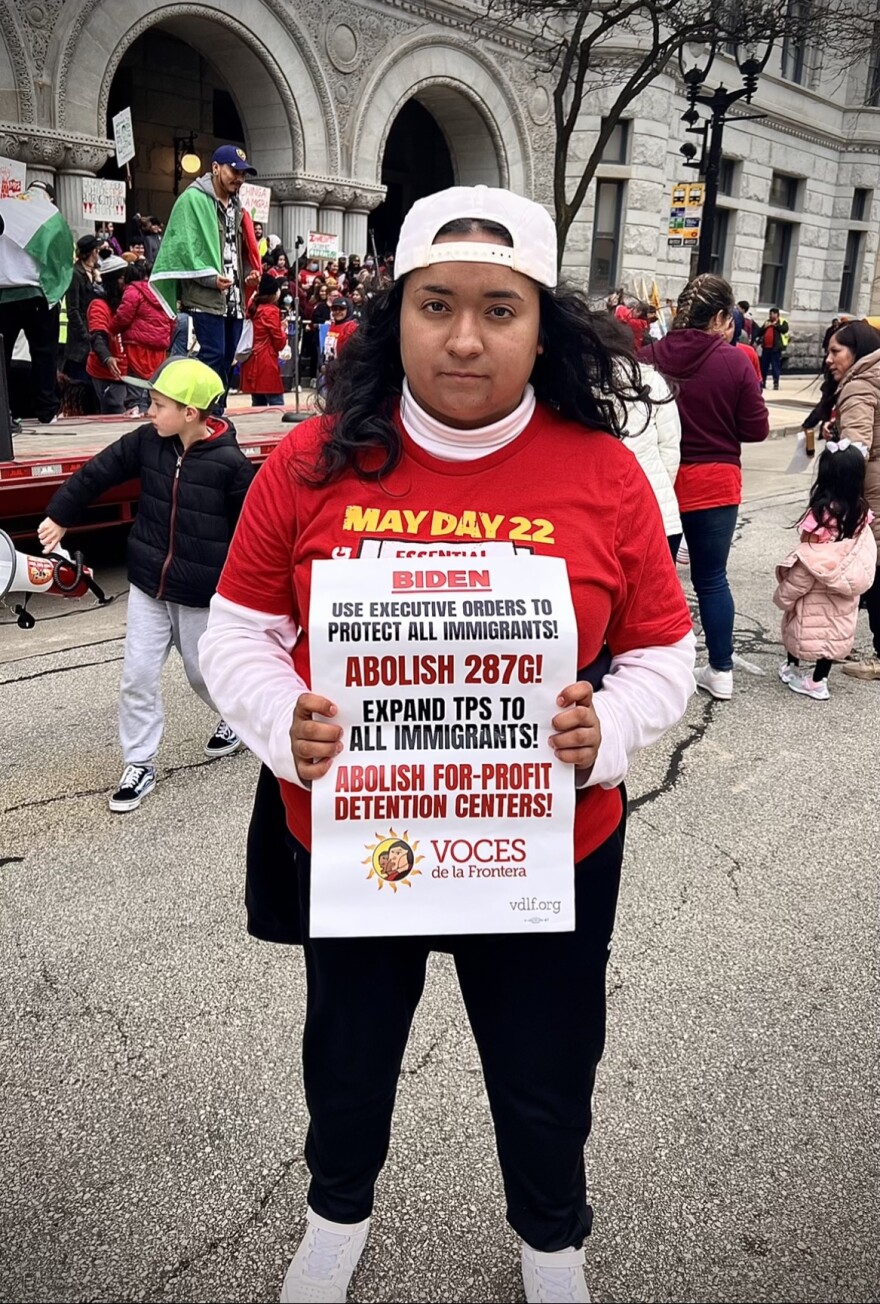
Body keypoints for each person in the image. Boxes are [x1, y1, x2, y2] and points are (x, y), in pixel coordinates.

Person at [199, 184, 696, 1304]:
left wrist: (609, 729)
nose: (465, 338)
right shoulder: (313, 460)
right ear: (397, 317)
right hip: (357, 837)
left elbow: (665, 650)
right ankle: (335, 1215)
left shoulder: (604, 472)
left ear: (542, 327)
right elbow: (238, 630)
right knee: (348, 1058)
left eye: (498, 309)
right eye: (436, 305)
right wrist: (282, 721)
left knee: (545, 1069)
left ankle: (552, 1242)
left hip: (545, 846)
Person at [37, 358, 254, 812]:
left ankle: (237, 720)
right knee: (136, 677)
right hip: (147, 585)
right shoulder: (148, 441)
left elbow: (251, 535)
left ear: (190, 413)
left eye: (157, 404)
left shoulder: (231, 465)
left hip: (199, 594)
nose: (148, 412)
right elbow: (99, 471)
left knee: (203, 674)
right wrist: (60, 514)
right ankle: (139, 762)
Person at [641, 273, 769, 700]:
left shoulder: (647, 358)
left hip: (657, 481)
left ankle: (648, 671)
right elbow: (756, 429)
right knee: (712, 579)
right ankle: (720, 669)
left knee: (650, 583)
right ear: (717, 317)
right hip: (714, 481)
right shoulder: (735, 361)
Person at [150, 145, 262, 413]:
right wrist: (210, 278)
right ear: (215, 168)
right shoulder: (192, 199)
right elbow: (182, 249)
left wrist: (250, 272)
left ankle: (216, 411)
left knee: (227, 357)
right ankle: (203, 411)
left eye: (243, 174)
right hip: (205, 296)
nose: (239, 178)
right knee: (213, 353)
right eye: (234, 171)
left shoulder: (237, 206)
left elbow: (239, 249)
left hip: (234, 297)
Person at [774, 442, 876, 699]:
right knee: (832, 634)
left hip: (816, 590)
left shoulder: (819, 515)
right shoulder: (862, 513)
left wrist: (785, 594)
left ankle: (792, 668)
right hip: (843, 587)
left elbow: (808, 560)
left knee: (798, 625)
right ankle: (819, 680)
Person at [823, 319, 880, 679]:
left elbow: (857, 449)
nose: (829, 359)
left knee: (875, 571)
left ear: (856, 352)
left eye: (836, 351)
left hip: (872, 491)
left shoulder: (859, 384)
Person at [0, 179, 73, 424]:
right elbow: (62, 259)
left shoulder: (4, 206)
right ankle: (47, 410)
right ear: (50, 196)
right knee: (44, 354)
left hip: (4, 293)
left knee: (2, 356)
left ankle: (3, 412)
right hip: (37, 293)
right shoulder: (50, 215)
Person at [618, 363, 683, 558]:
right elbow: (670, 446)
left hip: (603, 516)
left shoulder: (574, 380)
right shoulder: (650, 378)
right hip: (657, 506)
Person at [112, 262, 174, 412]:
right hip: (159, 346)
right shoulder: (161, 291)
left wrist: (112, 329)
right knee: (155, 382)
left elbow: (123, 317)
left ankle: (135, 408)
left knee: (135, 380)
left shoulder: (133, 291)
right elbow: (172, 318)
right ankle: (154, 410)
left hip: (137, 344)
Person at [86, 254, 136, 414]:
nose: (125, 283)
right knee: (114, 412)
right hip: (106, 374)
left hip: (129, 372)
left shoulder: (129, 302)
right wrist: (107, 358)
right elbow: (97, 335)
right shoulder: (99, 305)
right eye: (121, 278)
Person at [239, 272, 287, 406]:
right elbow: (279, 343)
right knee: (276, 403)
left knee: (257, 404)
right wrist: (283, 329)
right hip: (266, 361)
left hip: (251, 360)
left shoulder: (252, 307)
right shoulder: (271, 311)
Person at [64, 234, 101, 383]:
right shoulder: (75, 274)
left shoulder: (95, 272)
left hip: (94, 333)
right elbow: (72, 309)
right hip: (80, 342)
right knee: (79, 384)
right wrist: (85, 334)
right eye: (97, 249)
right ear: (93, 251)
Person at [758, 306, 789, 391]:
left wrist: (775, 325)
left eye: (771, 314)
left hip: (775, 348)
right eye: (769, 314)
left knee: (775, 366)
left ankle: (776, 383)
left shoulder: (782, 322)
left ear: (776, 314)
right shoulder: (767, 322)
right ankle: (763, 382)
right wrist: (765, 327)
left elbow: (784, 329)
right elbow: (760, 332)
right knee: (764, 367)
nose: (770, 316)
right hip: (766, 348)